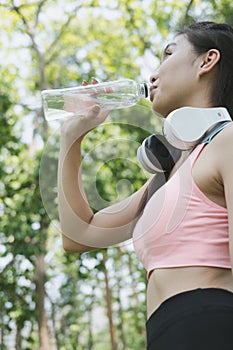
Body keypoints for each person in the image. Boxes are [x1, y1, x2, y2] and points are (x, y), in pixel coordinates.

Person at [57, 21, 233, 349]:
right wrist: (72, 137)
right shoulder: (164, 180)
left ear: (206, 61)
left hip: (211, 326)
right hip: (164, 334)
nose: (153, 75)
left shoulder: (227, 142)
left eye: (167, 54)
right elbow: (78, 235)